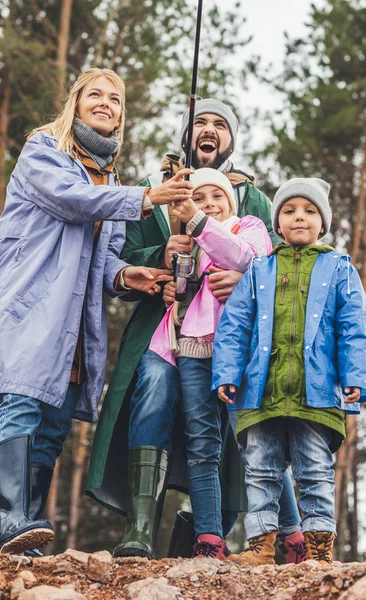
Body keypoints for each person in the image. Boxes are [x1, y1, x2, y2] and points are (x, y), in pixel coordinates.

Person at [0, 67, 193, 555]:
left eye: (114, 99)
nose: (105, 103)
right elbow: (73, 200)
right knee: (22, 405)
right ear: (74, 104)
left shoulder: (109, 176)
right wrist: (148, 197)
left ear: (121, 114)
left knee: (53, 424)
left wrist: (126, 276)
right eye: (94, 95)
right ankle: (10, 519)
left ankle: (26, 534)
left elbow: (106, 254)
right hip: (29, 304)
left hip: (75, 321)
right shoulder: (44, 152)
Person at [87, 98, 304, 564]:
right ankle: (141, 528)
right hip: (163, 333)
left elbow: (273, 265)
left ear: (231, 139)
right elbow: (122, 259)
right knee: (155, 392)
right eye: (200, 122)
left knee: (241, 427)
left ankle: (221, 532)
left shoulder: (254, 203)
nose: (209, 129)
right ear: (186, 134)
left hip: (231, 337)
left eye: (220, 124)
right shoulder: (152, 189)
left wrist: (244, 282)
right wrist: (160, 263)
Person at [212, 177, 366, 565]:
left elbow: (356, 327)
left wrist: (356, 376)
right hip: (261, 393)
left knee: (315, 471)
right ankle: (261, 546)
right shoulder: (259, 270)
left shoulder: (339, 269)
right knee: (261, 471)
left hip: (316, 393)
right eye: (289, 211)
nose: (299, 217)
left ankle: (319, 546)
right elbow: (235, 326)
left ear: (323, 223)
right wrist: (228, 373)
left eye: (309, 211)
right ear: (278, 225)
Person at [112, 168, 271, 559]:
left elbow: (251, 257)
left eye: (218, 196)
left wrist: (206, 230)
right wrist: (168, 270)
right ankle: (207, 537)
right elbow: (176, 283)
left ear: (232, 200)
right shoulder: (187, 242)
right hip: (188, 346)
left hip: (238, 350)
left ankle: (287, 534)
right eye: (199, 198)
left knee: (255, 436)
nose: (210, 204)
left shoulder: (247, 224)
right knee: (203, 440)